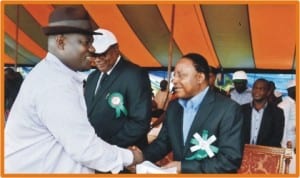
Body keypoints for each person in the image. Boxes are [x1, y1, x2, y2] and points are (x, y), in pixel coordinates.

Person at [5, 6, 140, 173]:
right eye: (86, 42)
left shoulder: (57, 75)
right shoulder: (54, 84)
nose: (92, 49)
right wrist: (131, 157)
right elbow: (86, 150)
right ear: (61, 42)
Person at [133, 53, 244, 173]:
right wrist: (141, 157)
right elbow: (163, 143)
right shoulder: (174, 107)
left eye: (181, 75)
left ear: (200, 78)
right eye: (174, 75)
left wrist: (183, 167)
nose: (174, 80)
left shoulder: (228, 109)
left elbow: (229, 161)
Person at [84, 29, 152, 158]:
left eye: (103, 54)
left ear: (116, 49)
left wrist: (109, 147)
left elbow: (140, 121)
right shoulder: (92, 77)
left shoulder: (134, 75)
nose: (98, 59)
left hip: (123, 154)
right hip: (95, 154)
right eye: (94, 55)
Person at [241, 78, 284, 147]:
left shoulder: (277, 112)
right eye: (255, 88)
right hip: (243, 152)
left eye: (261, 89)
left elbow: (276, 138)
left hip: (265, 154)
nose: (257, 91)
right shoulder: (242, 109)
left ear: (268, 92)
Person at [278, 79, 296, 149]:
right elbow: (283, 126)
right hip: (286, 144)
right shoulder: (285, 104)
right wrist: (284, 146)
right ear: (291, 90)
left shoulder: (294, 103)